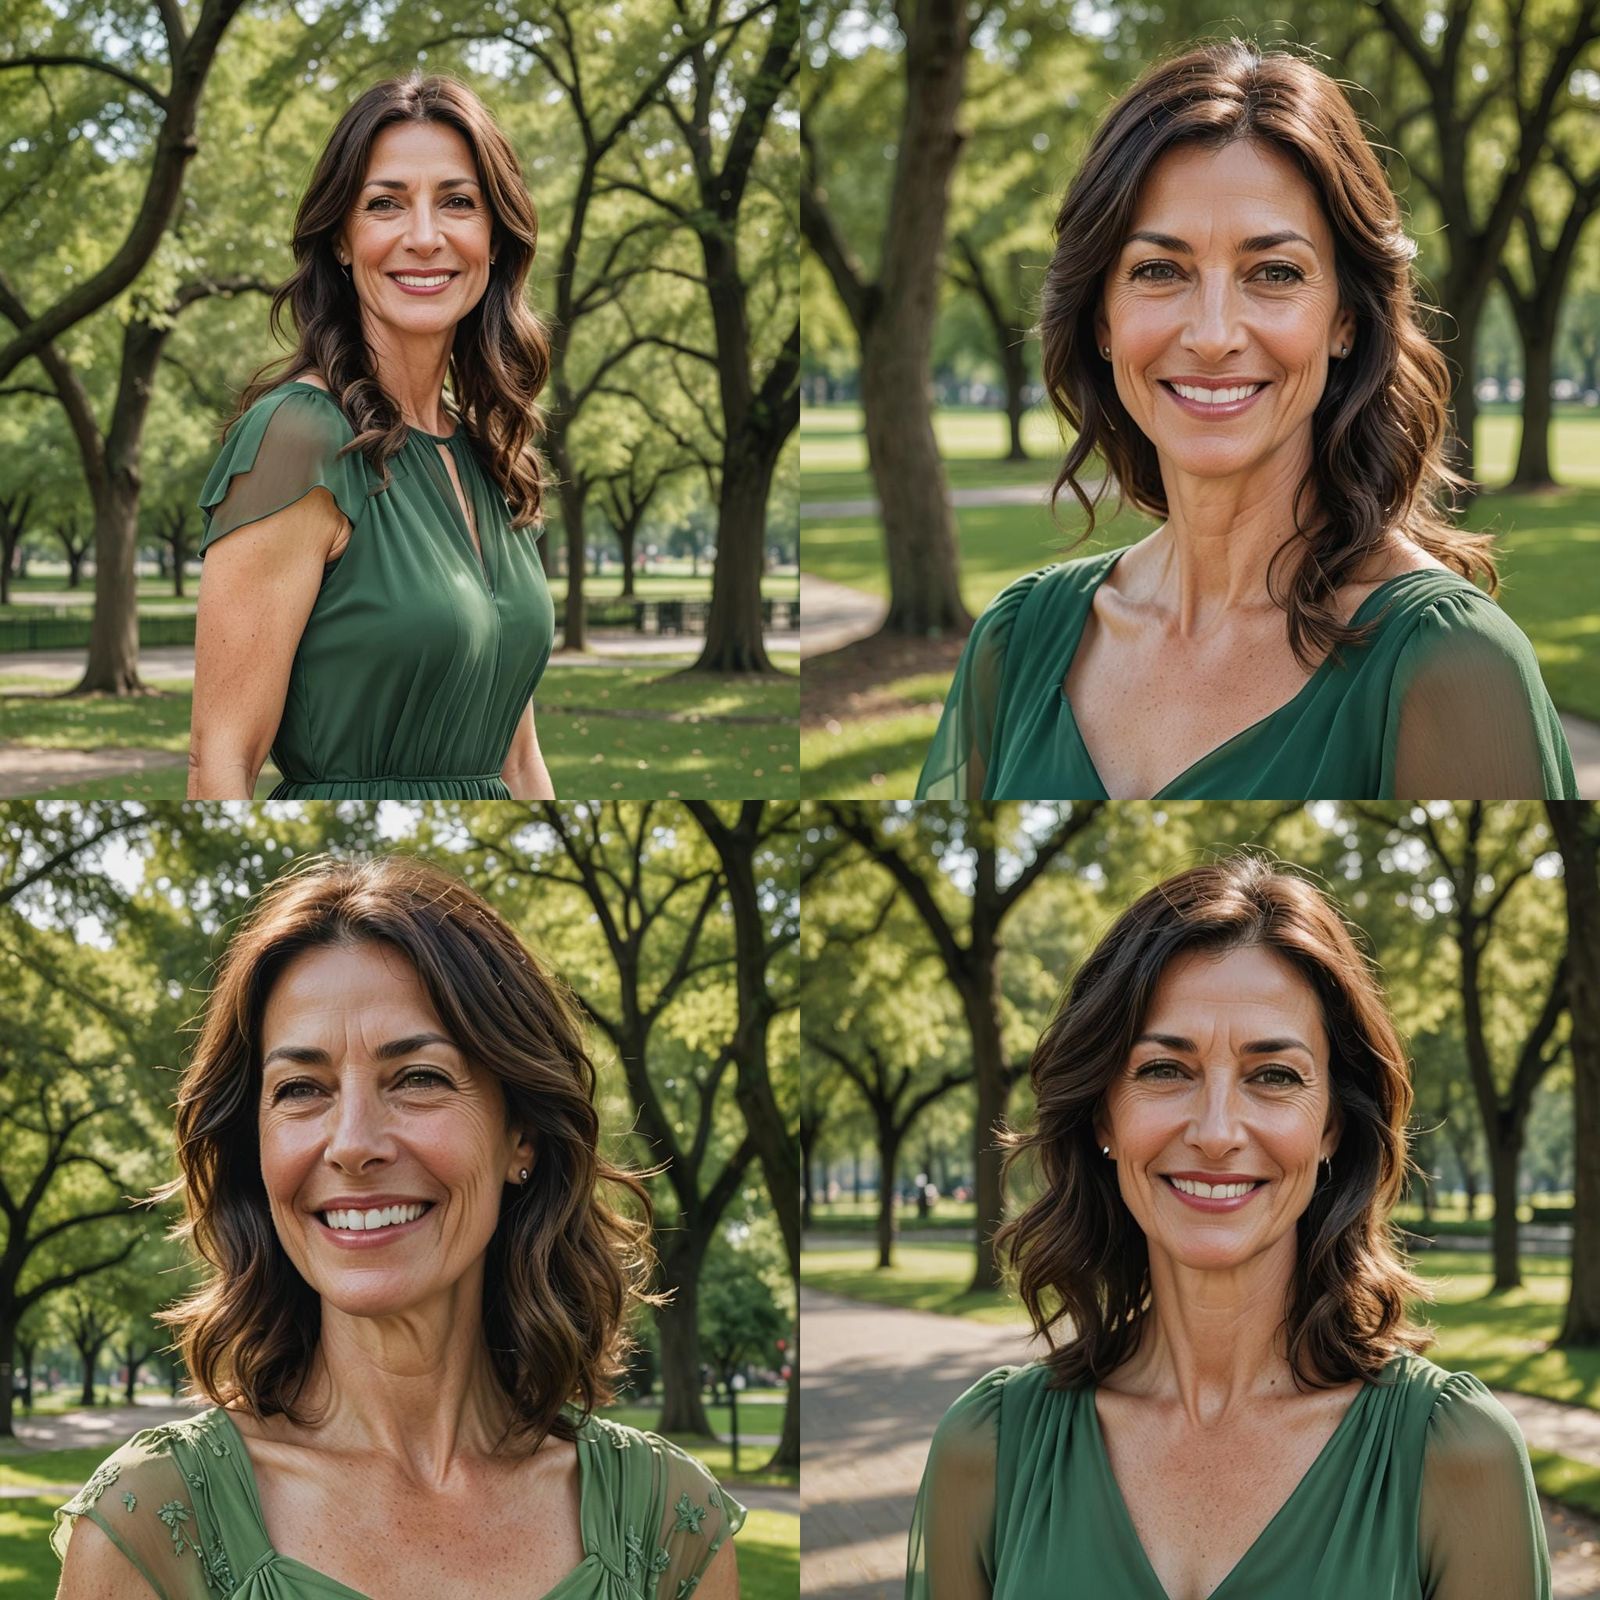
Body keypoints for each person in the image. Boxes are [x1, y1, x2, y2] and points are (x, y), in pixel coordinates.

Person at [52, 857, 742, 1599]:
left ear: (523, 1137)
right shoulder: (151, 1523)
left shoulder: (674, 1523)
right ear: (255, 1148)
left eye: (418, 1078)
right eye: (301, 1089)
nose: (352, 1143)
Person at [915, 41, 1576, 802]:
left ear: (1347, 322)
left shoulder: (1452, 662)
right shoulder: (1016, 640)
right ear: (1101, 316)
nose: (1214, 333)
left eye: (1275, 273)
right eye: (1159, 270)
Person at [906, 855, 1549, 1599]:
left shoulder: (1456, 1455)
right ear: (1104, 1116)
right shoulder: (988, 1449)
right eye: (1163, 1070)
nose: (1216, 1132)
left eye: (1273, 1075)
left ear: (1333, 1124)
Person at [187, 72, 556, 800]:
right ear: (343, 241)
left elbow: (518, 763)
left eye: (457, 202)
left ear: (494, 237)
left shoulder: (489, 455)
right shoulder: (299, 438)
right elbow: (221, 756)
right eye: (385, 204)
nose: (424, 237)